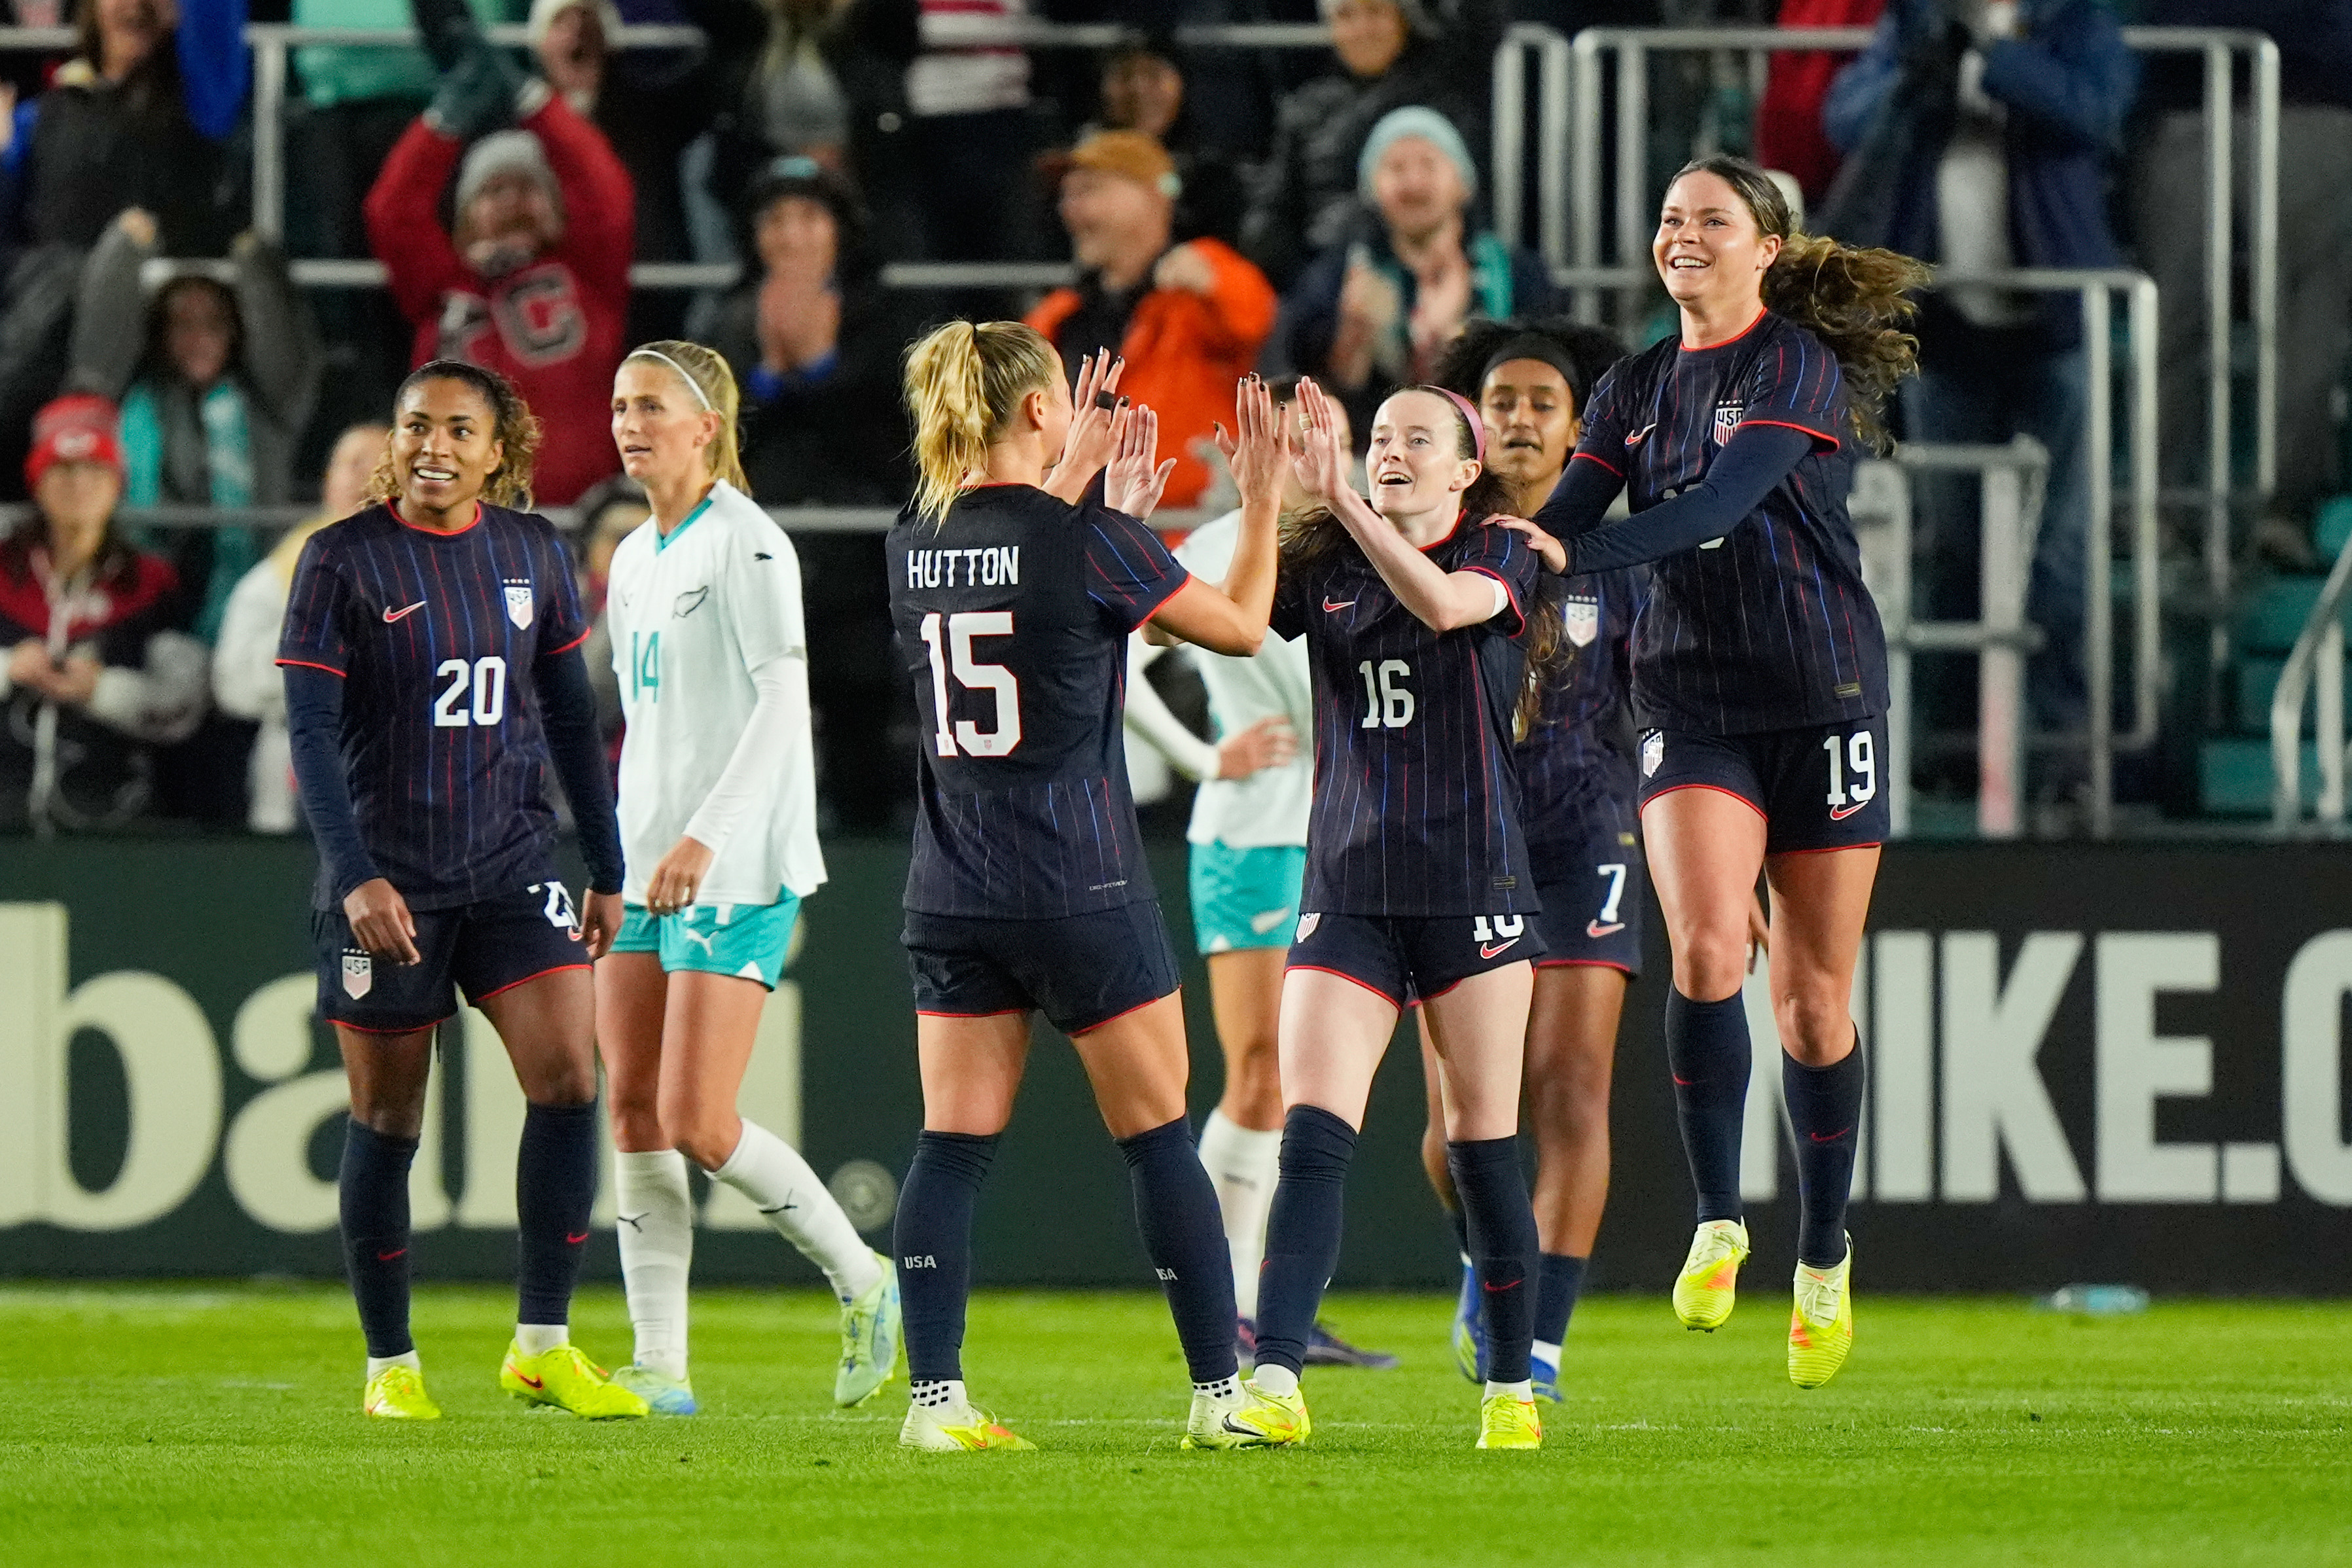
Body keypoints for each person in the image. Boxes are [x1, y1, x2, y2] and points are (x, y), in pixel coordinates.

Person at [1514, 155, 1926, 1390]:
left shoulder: (1785, 364)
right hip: (1686, 698)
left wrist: (1554, 558)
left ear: (1764, 247)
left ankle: (1820, 1253)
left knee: (1809, 1002)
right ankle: (1716, 1219)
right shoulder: (1632, 386)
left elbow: (1703, 515)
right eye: (1666, 216)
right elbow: (1570, 507)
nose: (1679, 235)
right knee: (1703, 949)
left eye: (1708, 219)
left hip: (1821, 695)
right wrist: (1492, 552)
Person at [884, 326, 1285, 1452]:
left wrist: (1082, 497)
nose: (1073, 410)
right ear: (1031, 415)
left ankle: (935, 1402)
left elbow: (1015, 570)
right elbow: (1242, 625)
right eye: (1058, 398)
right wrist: (1255, 503)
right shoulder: (1094, 539)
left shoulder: (909, 536)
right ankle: (1217, 1397)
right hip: (1077, 880)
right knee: (1159, 1137)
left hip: (951, 887)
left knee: (950, 1146)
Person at [276, 359, 645, 1421]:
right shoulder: (341, 561)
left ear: (498, 450)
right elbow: (309, 737)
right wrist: (355, 875)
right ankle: (390, 1365)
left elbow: (571, 719)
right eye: (415, 426)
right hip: (388, 879)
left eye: (457, 429)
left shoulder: (532, 552)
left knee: (570, 1078)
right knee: (388, 1115)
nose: (433, 445)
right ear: (394, 443)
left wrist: (606, 867)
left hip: (510, 863)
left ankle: (543, 1343)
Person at [1218, 379, 1553, 1453]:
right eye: (1377, 438)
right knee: (1312, 1138)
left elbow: (1446, 609)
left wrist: (1340, 504)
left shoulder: (1497, 552)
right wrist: (1267, 499)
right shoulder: (1321, 561)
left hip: (1473, 890)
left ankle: (1508, 1387)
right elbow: (1222, 626)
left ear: (1465, 469)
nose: (1389, 452)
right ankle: (1271, 1376)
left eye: (1419, 439)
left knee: (1480, 1150)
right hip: (1350, 888)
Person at [594, 340, 904, 1416]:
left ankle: (863, 1279)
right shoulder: (632, 557)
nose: (629, 423)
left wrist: (705, 839)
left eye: (651, 407)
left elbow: (783, 704)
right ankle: (660, 1368)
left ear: (708, 425)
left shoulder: (750, 545)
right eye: (620, 405)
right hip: (641, 864)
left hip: (732, 864)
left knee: (697, 1116)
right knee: (631, 1107)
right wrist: (619, 850)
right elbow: (642, 731)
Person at [1118, 378, 1393, 1371]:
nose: (1306, 445)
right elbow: (1119, 657)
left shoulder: (1371, 537)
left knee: (1304, 1085)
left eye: (1323, 429)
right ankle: (1225, 1297)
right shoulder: (1212, 545)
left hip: (1349, 834)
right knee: (1258, 1071)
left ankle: (1267, 1303)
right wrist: (1203, 757)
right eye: (1283, 431)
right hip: (1252, 831)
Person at [1823, 0, 2135, 811]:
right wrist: (1912, 80)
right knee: (1955, 549)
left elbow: (2098, 110)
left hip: (2058, 327)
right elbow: (1844, 118)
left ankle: (2068, 751)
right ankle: (1954, 747)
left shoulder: (2073, 17)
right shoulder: (1916, 21)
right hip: (1947, 333)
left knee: (2061, 556)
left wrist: (1995, 61)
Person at [1416, 316, 1637, 1402]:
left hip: (1585, 837)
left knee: (1571, 1093)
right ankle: (1485, 1261)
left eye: (1539, 403)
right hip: (1461, 846)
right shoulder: (1436, 551)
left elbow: (1674, 708)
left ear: (1576, 430)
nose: (1515, 417)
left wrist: (1712, 866)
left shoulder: (1614, 556)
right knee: (1449, 1135)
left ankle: (1538, 1346)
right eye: (1498, 400)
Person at [708, 154, 912, 828]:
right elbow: (714, 449)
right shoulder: (724, 324)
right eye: (775, 220)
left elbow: (898, 447)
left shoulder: (889, 320)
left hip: (859, 569)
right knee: (755, 751)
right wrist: (768, 376)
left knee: (862, 743)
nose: (791, 236)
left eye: (809, 217)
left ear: (840, 230)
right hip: (761, 566)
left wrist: (822, 370)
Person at [366, 14, 634, 505]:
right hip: (461, 525)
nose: (512, 202)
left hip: (575, 520)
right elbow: (392, 211)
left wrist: (533, 101)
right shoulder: (442, 283)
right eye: (493, 191)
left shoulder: (589, 271)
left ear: (557, 210)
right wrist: (442, 124)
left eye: (529, 188)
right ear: (463, 219)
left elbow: (605, 189)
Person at [2134, 1, 2352, 559]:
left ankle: (2285, 509)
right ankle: (2160, 507)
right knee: (2175, 318)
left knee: (2311, 319)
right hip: (2190, 104)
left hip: (2315, 106)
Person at [68, 209, 325, 642]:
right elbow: (96, 349)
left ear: (235, 332)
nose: (198, 339)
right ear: (159, 333)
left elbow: (286, 348)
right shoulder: (129, 404)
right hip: (135, 606)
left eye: (213, 325)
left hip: (249, 617)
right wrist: (126, 249)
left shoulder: (267, 411)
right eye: (181, 325)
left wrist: (253, 258)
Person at [1025, 130, 1277, 512]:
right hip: (1085, 528)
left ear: (1153, 196)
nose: (1071, 210)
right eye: (1068, 195)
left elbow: (1254, 318)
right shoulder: (1059, 315)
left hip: (1188, 528)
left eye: (1090, 191)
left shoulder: (1200, 288)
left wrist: (1209, 280)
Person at [1274, 106, 1556, 442]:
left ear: (1463, 183)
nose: (1413, 182)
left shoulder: (1518, 274)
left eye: (1428, 164)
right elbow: (1298, 386)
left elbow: (1553, 385)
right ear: (1372, 189)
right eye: (1396, 168)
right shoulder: (1333, 278)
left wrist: (1459, 351)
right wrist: (1353, 336)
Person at [0, 392, 205, 830]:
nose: (78, 484)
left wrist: (100, 690)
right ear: (36, 480)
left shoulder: (154, 583)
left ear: (117, 481)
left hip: (112, 817)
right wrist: (9, 668)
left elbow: (184, 702)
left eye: (94, 469)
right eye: (62, 469)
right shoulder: (3, 570)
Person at [516, 0, 769, 342]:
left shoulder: (648, 114)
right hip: (541, 307)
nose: (578, 31)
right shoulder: (514, 129)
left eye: (589, 20)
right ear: (539, 43)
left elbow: (733, 43)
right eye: (562, 21)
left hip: (646, 295)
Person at [1240, 0, 1505, 289]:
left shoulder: (1445, 91)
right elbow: (1273, 210)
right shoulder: (1306, 108)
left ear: (1404, 19)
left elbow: (1484, 22)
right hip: (1329, 282)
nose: (1363, 29)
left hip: (1435, 269)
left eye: (1376, 11)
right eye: (1346, 15)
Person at [211, 420, 385, 832]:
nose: (367, 479)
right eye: (354, 464)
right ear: (329, 484)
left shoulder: (439, 573)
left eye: (385, 466)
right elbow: (233, 685)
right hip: (299, 761)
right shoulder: (283, 572)